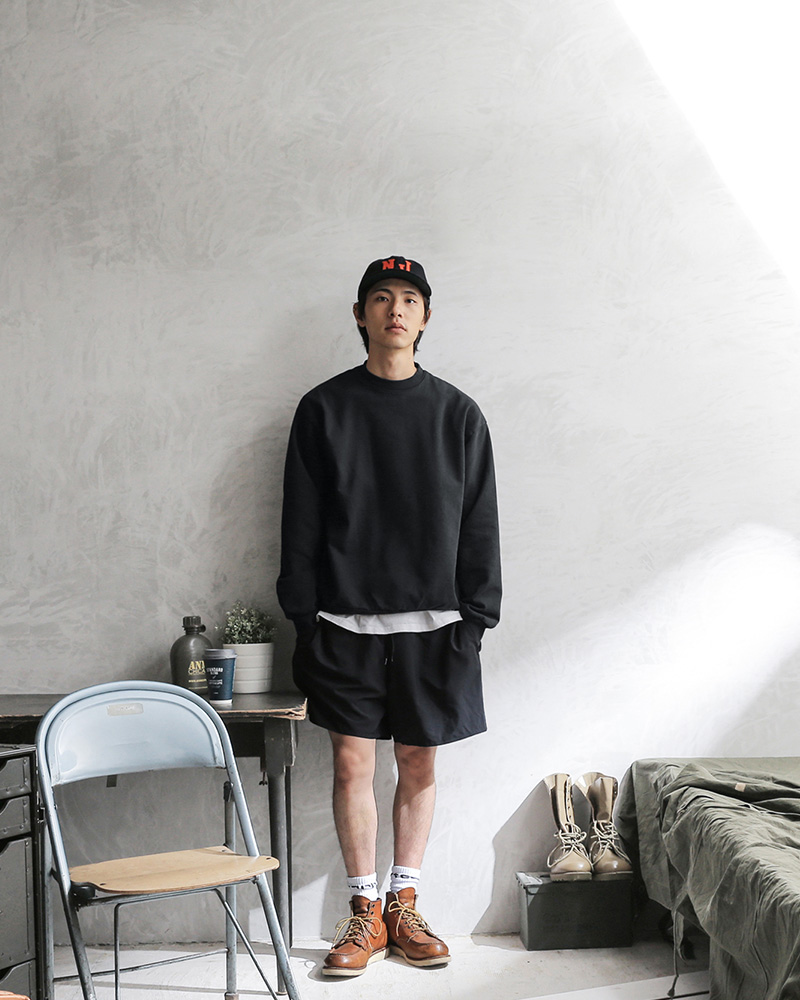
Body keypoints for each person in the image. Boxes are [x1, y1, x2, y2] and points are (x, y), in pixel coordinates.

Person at [277, 255, 501, 977]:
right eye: (381, 297)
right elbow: (300, 519)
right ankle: (364, 911)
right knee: (352, 765)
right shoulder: (324, 409)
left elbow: (480, 522)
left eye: (409, 299)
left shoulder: (458, 414)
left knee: (417, 762)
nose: (395, 309)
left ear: (425, 317)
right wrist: (304, 617)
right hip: (343, 624)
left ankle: (405, 903)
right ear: (360, 314)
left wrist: (477, 619)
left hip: (438, 627)